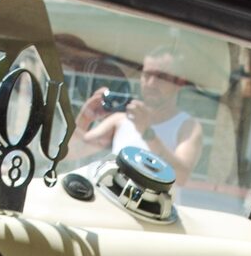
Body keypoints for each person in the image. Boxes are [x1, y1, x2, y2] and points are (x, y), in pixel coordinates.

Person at [69, 46, 206, 182]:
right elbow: (71, 152)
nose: (151, 83)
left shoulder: (188, 127)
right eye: (147, 75)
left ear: (179, 83)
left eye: (161, 77)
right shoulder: (121, 120)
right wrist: (85, 117)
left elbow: (181, 177)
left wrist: (147, 133)